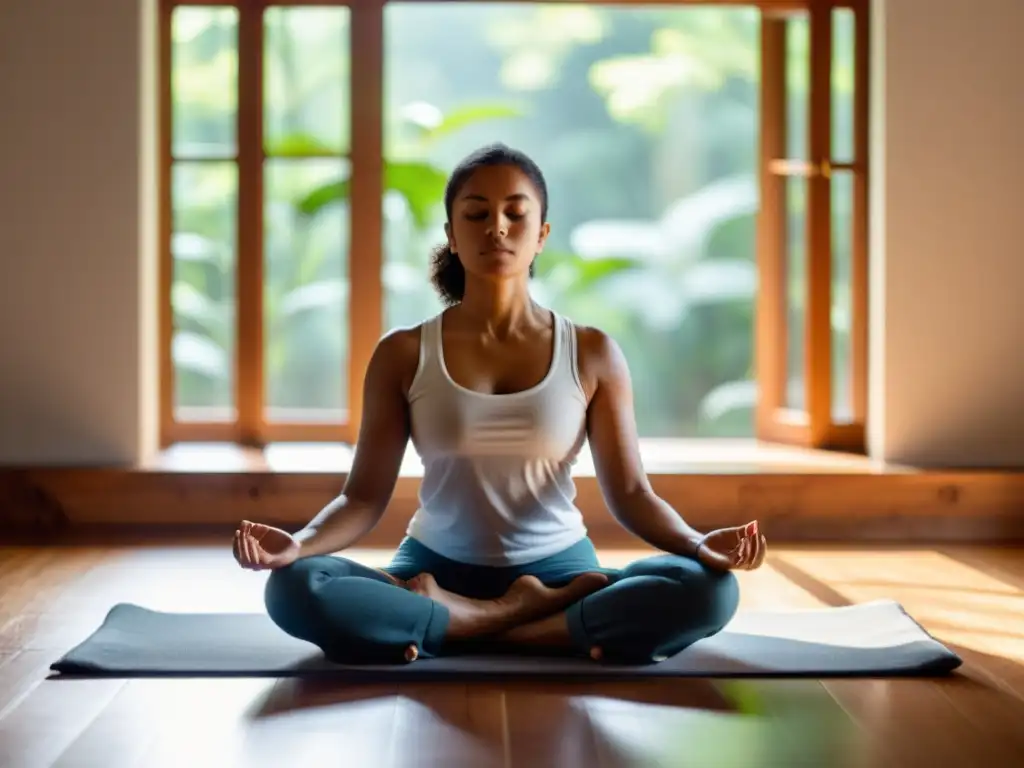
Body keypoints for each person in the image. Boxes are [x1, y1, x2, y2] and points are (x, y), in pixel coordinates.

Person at [231, 143, 767, 666]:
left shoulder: (592, 351)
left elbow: (630, 492)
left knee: (709, 590)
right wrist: (296, 546)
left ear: (541, 236)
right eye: (477, 213)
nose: (497, 227)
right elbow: (362, 499)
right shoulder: (404, 352)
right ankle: (542, 625)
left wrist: (699, 546)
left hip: (560, 573)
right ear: (452, 236)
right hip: (433, 574)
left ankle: (460, 626)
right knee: (295, 588)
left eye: (516, 212)